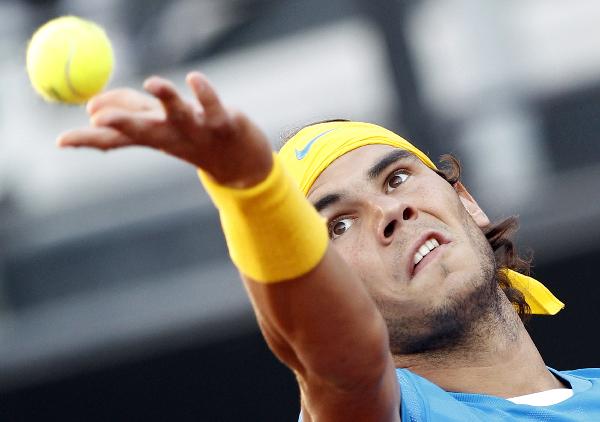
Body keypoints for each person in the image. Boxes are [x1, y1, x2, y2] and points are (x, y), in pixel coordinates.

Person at [58, 72, 600, 421]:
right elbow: (342, 362)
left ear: (466, 200)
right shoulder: (375, 408)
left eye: (396, 179)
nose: (391, 213)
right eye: (339, 225)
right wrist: (251, 191)